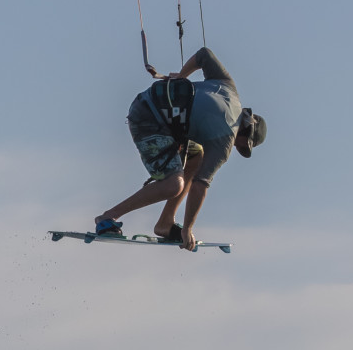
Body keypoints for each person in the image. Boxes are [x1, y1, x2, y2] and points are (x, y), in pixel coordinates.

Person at [95, 47, 266, 251]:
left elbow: (204, 54)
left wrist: (181, 76)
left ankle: (165, 223)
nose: (237, 149)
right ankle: (107, 218)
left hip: (149, 103)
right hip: (148, 119)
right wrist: (187, 228)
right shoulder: (225, 141)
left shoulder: (229, 88)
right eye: (243, 146)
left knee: (197, 156)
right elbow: (200, 186)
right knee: (172, 185)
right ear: (245, 134)